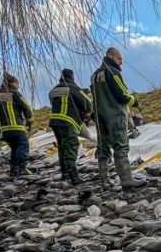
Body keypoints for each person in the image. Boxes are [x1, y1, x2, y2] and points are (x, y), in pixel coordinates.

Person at [90, 47, 143, 190]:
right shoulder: (113, 72)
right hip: (114, 115)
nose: (121, 63)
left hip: (99, 117)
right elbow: (122, 96)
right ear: (111, 56)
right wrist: (135, 101)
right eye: (120, 58)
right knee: (121, 146)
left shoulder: (95, 75)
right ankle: (126, 180)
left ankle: (105, 181)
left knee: (103, 148)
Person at [48, 68, 92, 185]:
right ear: (72, 77)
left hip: (54, 121)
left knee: (62, 147)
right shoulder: (73, 87)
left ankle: (65, 174)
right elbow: (87, 103)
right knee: (71, 146)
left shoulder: (53, 90)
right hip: (68, 121)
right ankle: (74, 178)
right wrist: (86, 112)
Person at [0, 73, 34, 178]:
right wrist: (29, 121)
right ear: (12, 83)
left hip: (4, 129)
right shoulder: (15, 93)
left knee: (14, 148)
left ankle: (13, 170)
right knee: (23, 145)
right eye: (17, 84)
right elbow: (27, 107)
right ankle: (22, 168)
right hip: (17, 126)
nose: (18, 86)